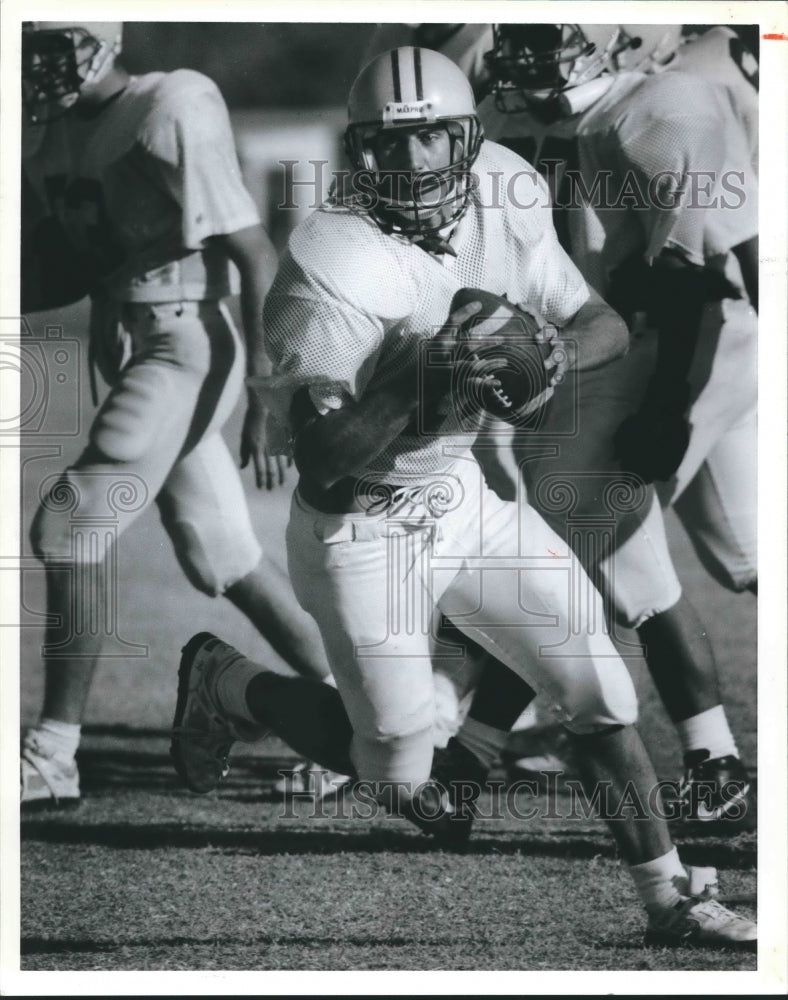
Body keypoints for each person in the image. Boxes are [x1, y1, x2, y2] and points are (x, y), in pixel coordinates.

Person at [171, 46, 756, 950]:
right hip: (362, 525)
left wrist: (550, 357)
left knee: (597, 690)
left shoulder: (505, 184)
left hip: (464, 496)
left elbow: (592, 320)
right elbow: (325, 464)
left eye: (436, 138)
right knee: (402, 769)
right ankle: (232, 682)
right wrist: (425, 380)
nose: (413, 163)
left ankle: (669, 896)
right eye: (389, 144)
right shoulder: (329, 261)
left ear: (469, 135)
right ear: (359, 149)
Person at [433, 22, 758, 828]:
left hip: (687, 341)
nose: (526, 57)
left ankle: (467, 760)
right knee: (624, 550)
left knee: (576, 526)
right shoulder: (508, 124)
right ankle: (712, 762)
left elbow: (694, 283)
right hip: (597, 349)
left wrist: (666, 409)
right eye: (521, 39)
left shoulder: (659, 109)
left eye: (552, 39)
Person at [20, 20, 336, 808]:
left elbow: (254, 254)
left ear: (103, 38)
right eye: (28, 43)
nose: (38, 62)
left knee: (69, 527)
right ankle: (354, 712)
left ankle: (52, 755)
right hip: (132, 340)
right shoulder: (54, 132)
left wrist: (272, 393)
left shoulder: (171, 105)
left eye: (55, 42)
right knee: (220, 555)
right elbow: (56, 265)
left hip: (187, 339)